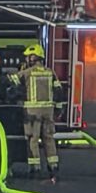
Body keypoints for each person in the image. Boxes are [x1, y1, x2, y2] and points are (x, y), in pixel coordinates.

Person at [12, 44, 61, 181]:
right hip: (48, 112)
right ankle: (53, 167)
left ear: (33, 58)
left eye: (28, 57)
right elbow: (58, 91)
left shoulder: (28, 73)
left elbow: (11, 82)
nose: (27, 59)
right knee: (49, 138)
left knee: (33, 140)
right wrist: (58, 108)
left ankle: (35, 168)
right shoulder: (50, 72)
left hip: (32, 112)